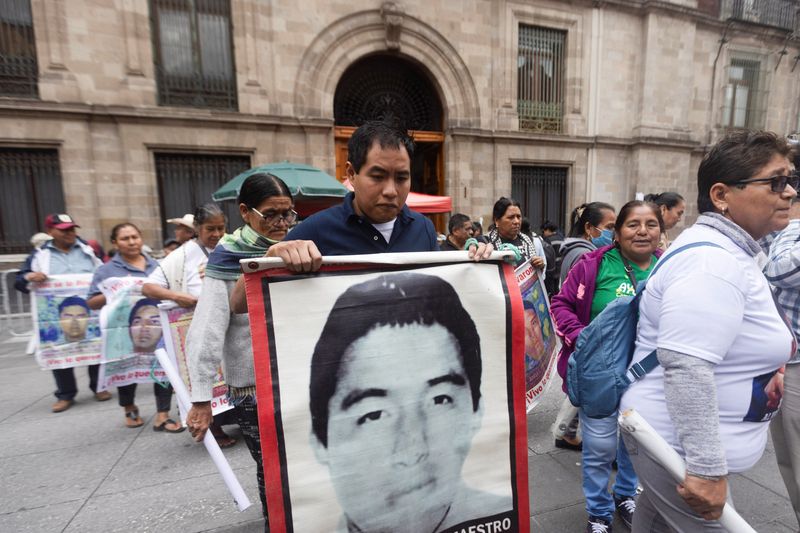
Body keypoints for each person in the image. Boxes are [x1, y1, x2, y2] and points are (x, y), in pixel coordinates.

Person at [620, 130, 797, 531]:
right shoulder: (711, 265)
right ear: (721, 196)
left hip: (676, 446)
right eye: (774, 181)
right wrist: (706, 470)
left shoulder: (731, 253)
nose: (787, 192)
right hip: (678, 450)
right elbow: (686, 366)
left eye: (790, 180)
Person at [309, 272, 511, 532]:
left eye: (439, 400)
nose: (413, 450)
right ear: (320, 441)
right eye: (374, 415)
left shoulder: (502, 516)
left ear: (476, 411)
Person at [228, 120, 491, 291]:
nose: (391, 191)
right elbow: (240, 303)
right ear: (352, 173)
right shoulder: (316, 230)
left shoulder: (423, 228)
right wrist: (272, 258)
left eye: (401, 178)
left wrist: (480, 260)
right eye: (377, 177)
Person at [185, 173, 295, 523]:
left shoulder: (300, 246)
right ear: (246, 212)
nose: (281, 223)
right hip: (252, 387)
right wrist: (201, 399)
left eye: (288, 213)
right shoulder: (228, 257)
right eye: (271, 214)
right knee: (272, 470)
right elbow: (207, 329)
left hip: (296, 378)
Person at [552, 201, 663, 532]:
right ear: (617, 232)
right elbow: (561, 303)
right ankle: (598, 512)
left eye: (651, 224)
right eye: (633, 224)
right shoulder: (593, 265)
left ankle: (626, 495)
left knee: (635, 444)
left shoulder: (669, 267)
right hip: (601, 376)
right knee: (599, 448)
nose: (642, 231)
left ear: (661, 230)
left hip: (647, 379)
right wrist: (582, 337)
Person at [143, 203, 237, 448]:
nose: (216, 234)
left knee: (229, 373)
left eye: (221, 228)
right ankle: (214, 428)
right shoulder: (182, 255)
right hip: (193, 323)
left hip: (231, 323)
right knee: (204, 376)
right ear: (197, 228)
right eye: (210, 229)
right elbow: (148, 287)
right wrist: (177, 297)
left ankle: (236, 417)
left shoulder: (232, 246)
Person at [87, 223, 181, 432]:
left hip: (158, 329)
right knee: (127, 368)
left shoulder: (158, 265)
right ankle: (129, 407)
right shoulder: (106, 270)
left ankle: (163, 414)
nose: (131, 242)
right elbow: (91, 302)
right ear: (114, 243)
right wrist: (117, 291)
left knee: (162, 368)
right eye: (125, 238)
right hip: (123, 332)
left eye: (135, 237)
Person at [14, 213, 107, 412]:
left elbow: (103, 273)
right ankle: (65, 394)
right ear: (50, 232)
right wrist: (31, 276)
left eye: (72, 229)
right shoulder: (39, 255)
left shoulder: (88, 251)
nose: (70, 233)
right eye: (64, 230)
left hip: (88, 310)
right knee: (58, 348)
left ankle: (99, 387)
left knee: (95, 345)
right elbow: (19, 280)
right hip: (57, 314)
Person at [764, 200, 800, 529]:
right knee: (790, 459)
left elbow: (780, 269)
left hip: (797, 368)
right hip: (787, 360)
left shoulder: (793, 230)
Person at [559, 202, 616, 286]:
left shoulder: (575, 250)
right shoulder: (586, 256)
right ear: (588, 228)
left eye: (615, 227)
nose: (613, 232)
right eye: (609, 227)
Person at [484, 197, 546, 269]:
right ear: (497, 221)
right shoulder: (486, 242)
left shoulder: (527, 240)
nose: (516, 221)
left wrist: (539, 265)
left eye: (519, 217)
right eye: (511, 217)